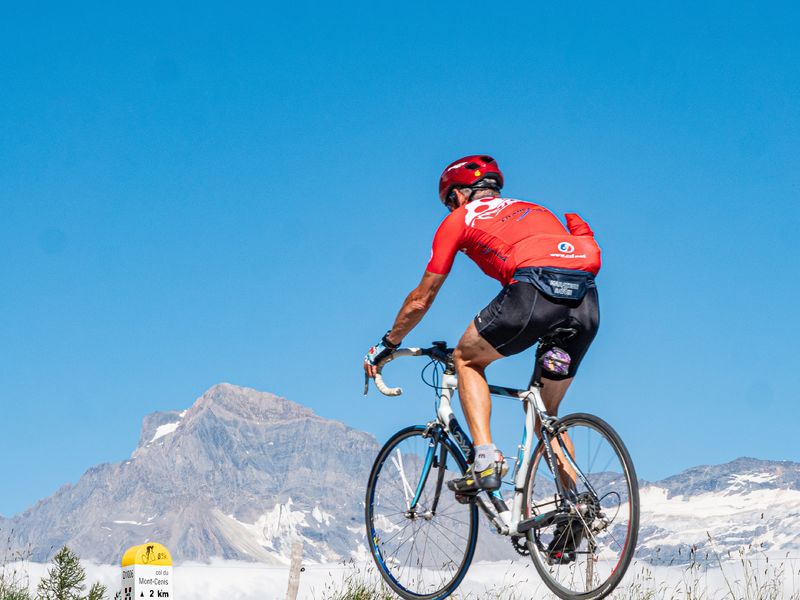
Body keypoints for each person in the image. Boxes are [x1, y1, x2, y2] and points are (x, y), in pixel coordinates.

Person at [363, 155, 601, 498]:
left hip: (533, 294)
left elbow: (421, 298)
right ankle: (576, 507)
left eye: (448, 203)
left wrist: (387, 344)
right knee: (544, 414)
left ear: (459, 195)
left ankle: (486, 460)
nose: (449, 209)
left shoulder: (461, 219)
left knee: (467, 359)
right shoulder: (536, 209)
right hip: (585, 305)